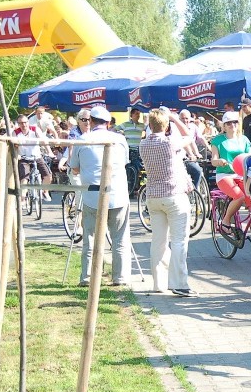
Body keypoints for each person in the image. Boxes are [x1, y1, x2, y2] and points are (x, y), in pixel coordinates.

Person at [69, 105, 131, 287]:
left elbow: (74, 168)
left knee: (90, 238)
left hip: (92, 195)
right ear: (108, 122)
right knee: (119, 238)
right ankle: (119, 277)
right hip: (117, 194)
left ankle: (87, 276)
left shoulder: (82, 140)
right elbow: (125, 162)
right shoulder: (119, 139)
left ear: (91, 121)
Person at [140, 108, 197, 297]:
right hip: (174, 195)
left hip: (153, 196)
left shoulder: (143, 145)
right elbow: (189, 135)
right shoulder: (170, 142)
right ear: (166, 126)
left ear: (150, 124)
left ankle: (158, 282)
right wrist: (174, 118)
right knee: (179, 240)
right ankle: (179, 283)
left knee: (158, 241)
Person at [210, 110, 251, 229]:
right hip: (224, 175)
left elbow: (250, 156)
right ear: (224, 126)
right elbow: (213, 160)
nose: (232, 125)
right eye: (229, 123)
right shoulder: (218, 140)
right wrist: (220, 161)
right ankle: (226, 221)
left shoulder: (244, 139)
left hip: (242, 175)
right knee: (239, 196)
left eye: (235, 122)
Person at [11, 115, 54, 200]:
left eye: (25, 122)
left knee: (48, 176)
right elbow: (14, 145)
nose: (24, 125)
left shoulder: (34, 129)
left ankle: (45, 192)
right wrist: (17, 155)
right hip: (24, 158)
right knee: (24, 179)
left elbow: (43, 141)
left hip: (36, 156)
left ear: (28, 122)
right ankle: (22, 199)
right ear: (18, 124)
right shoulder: (15, 132)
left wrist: (50, 152)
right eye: (21, 123)